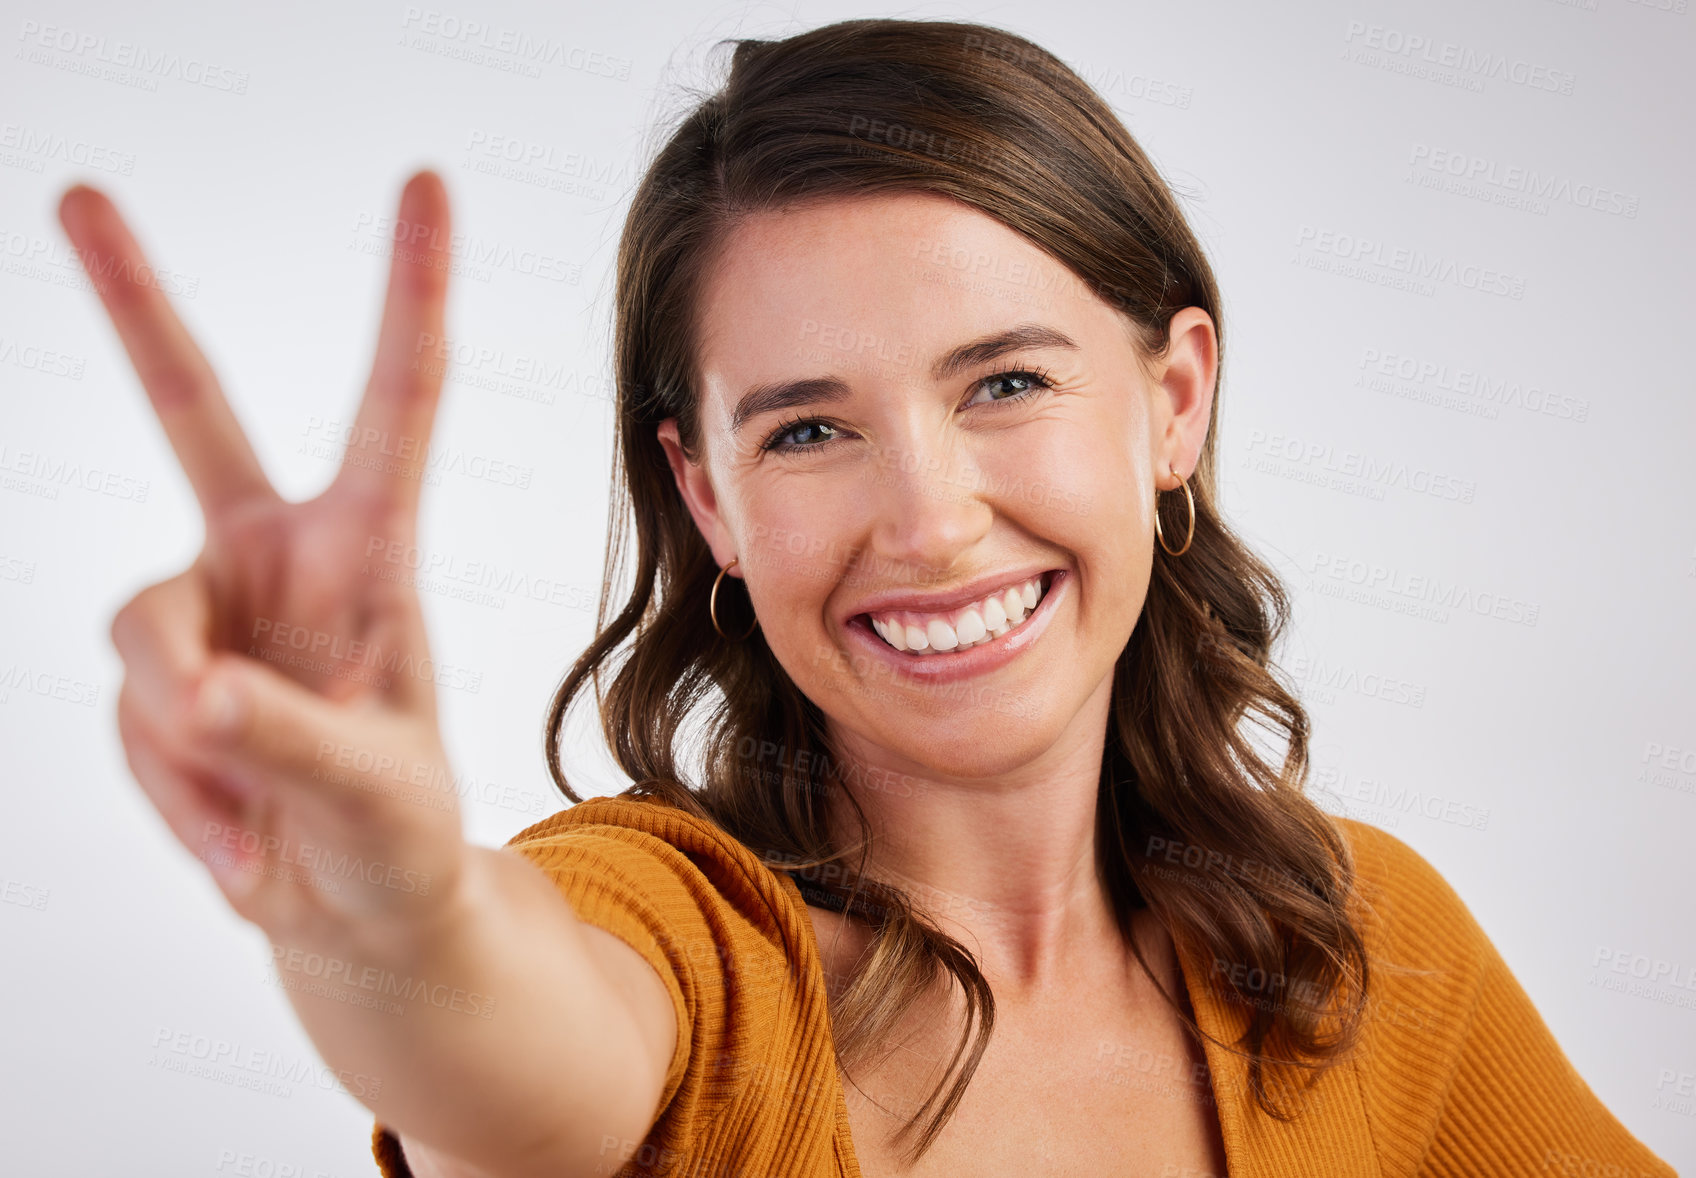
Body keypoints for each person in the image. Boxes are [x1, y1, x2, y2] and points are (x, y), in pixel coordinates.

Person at [71, 17, 1675, 1178]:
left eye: (1005, 383)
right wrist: (394, 911)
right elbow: (513, 1052)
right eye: (811, 427)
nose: (928, 517)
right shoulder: (688, 947)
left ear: (1174, 399)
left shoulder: (1354, 941)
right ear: (708, 496)